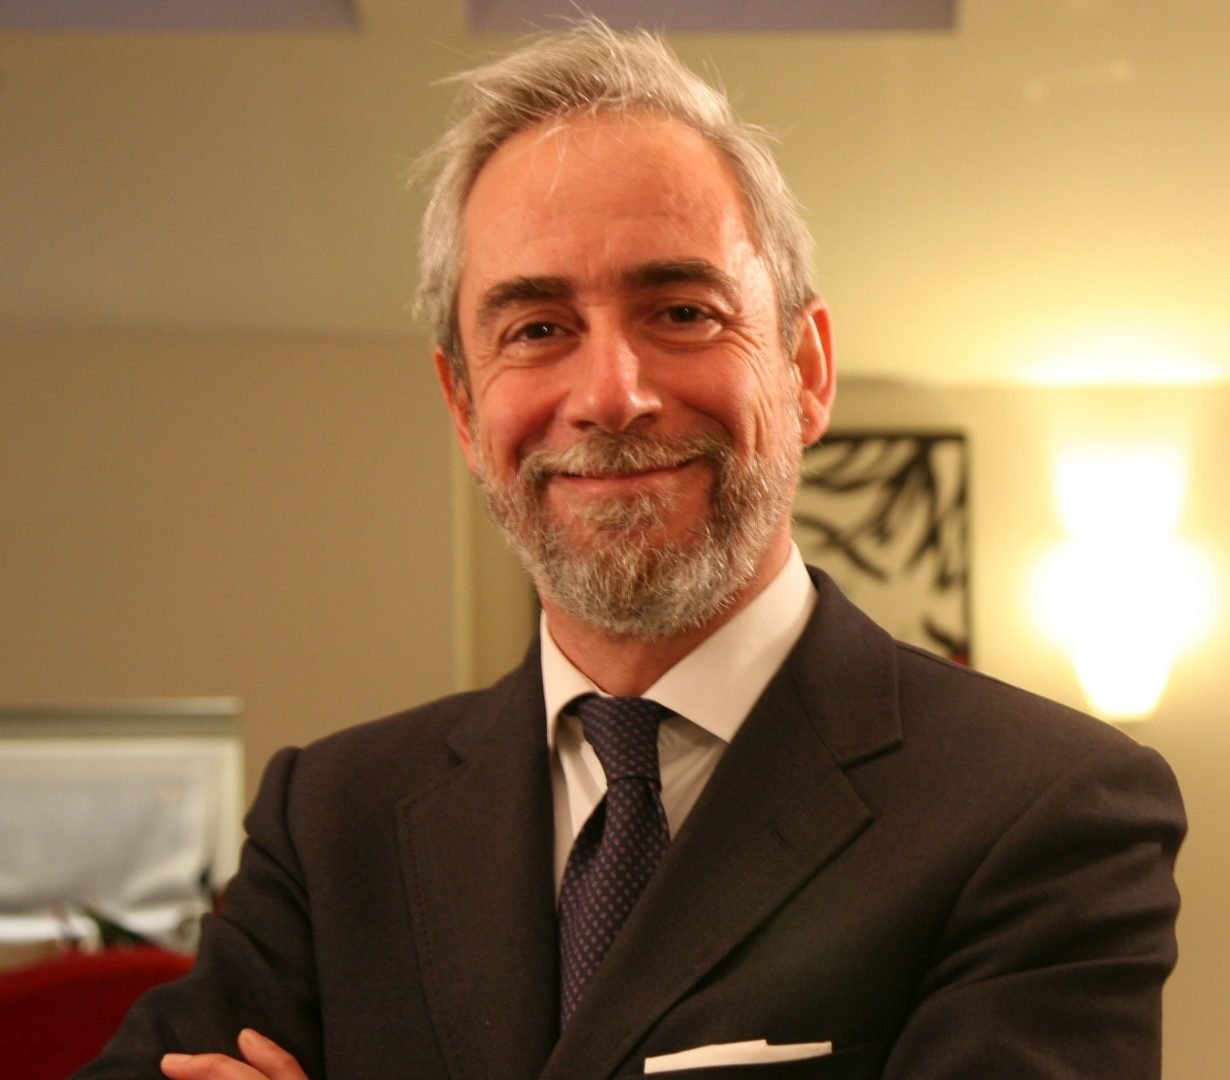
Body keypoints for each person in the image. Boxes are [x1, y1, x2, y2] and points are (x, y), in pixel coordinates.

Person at [76, 19, 1185, 1080]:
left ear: (804, 370)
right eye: (537, 330)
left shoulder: (1043, 806)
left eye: (683, 312)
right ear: (463, 407)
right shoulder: (332, 821)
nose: (610, 395)